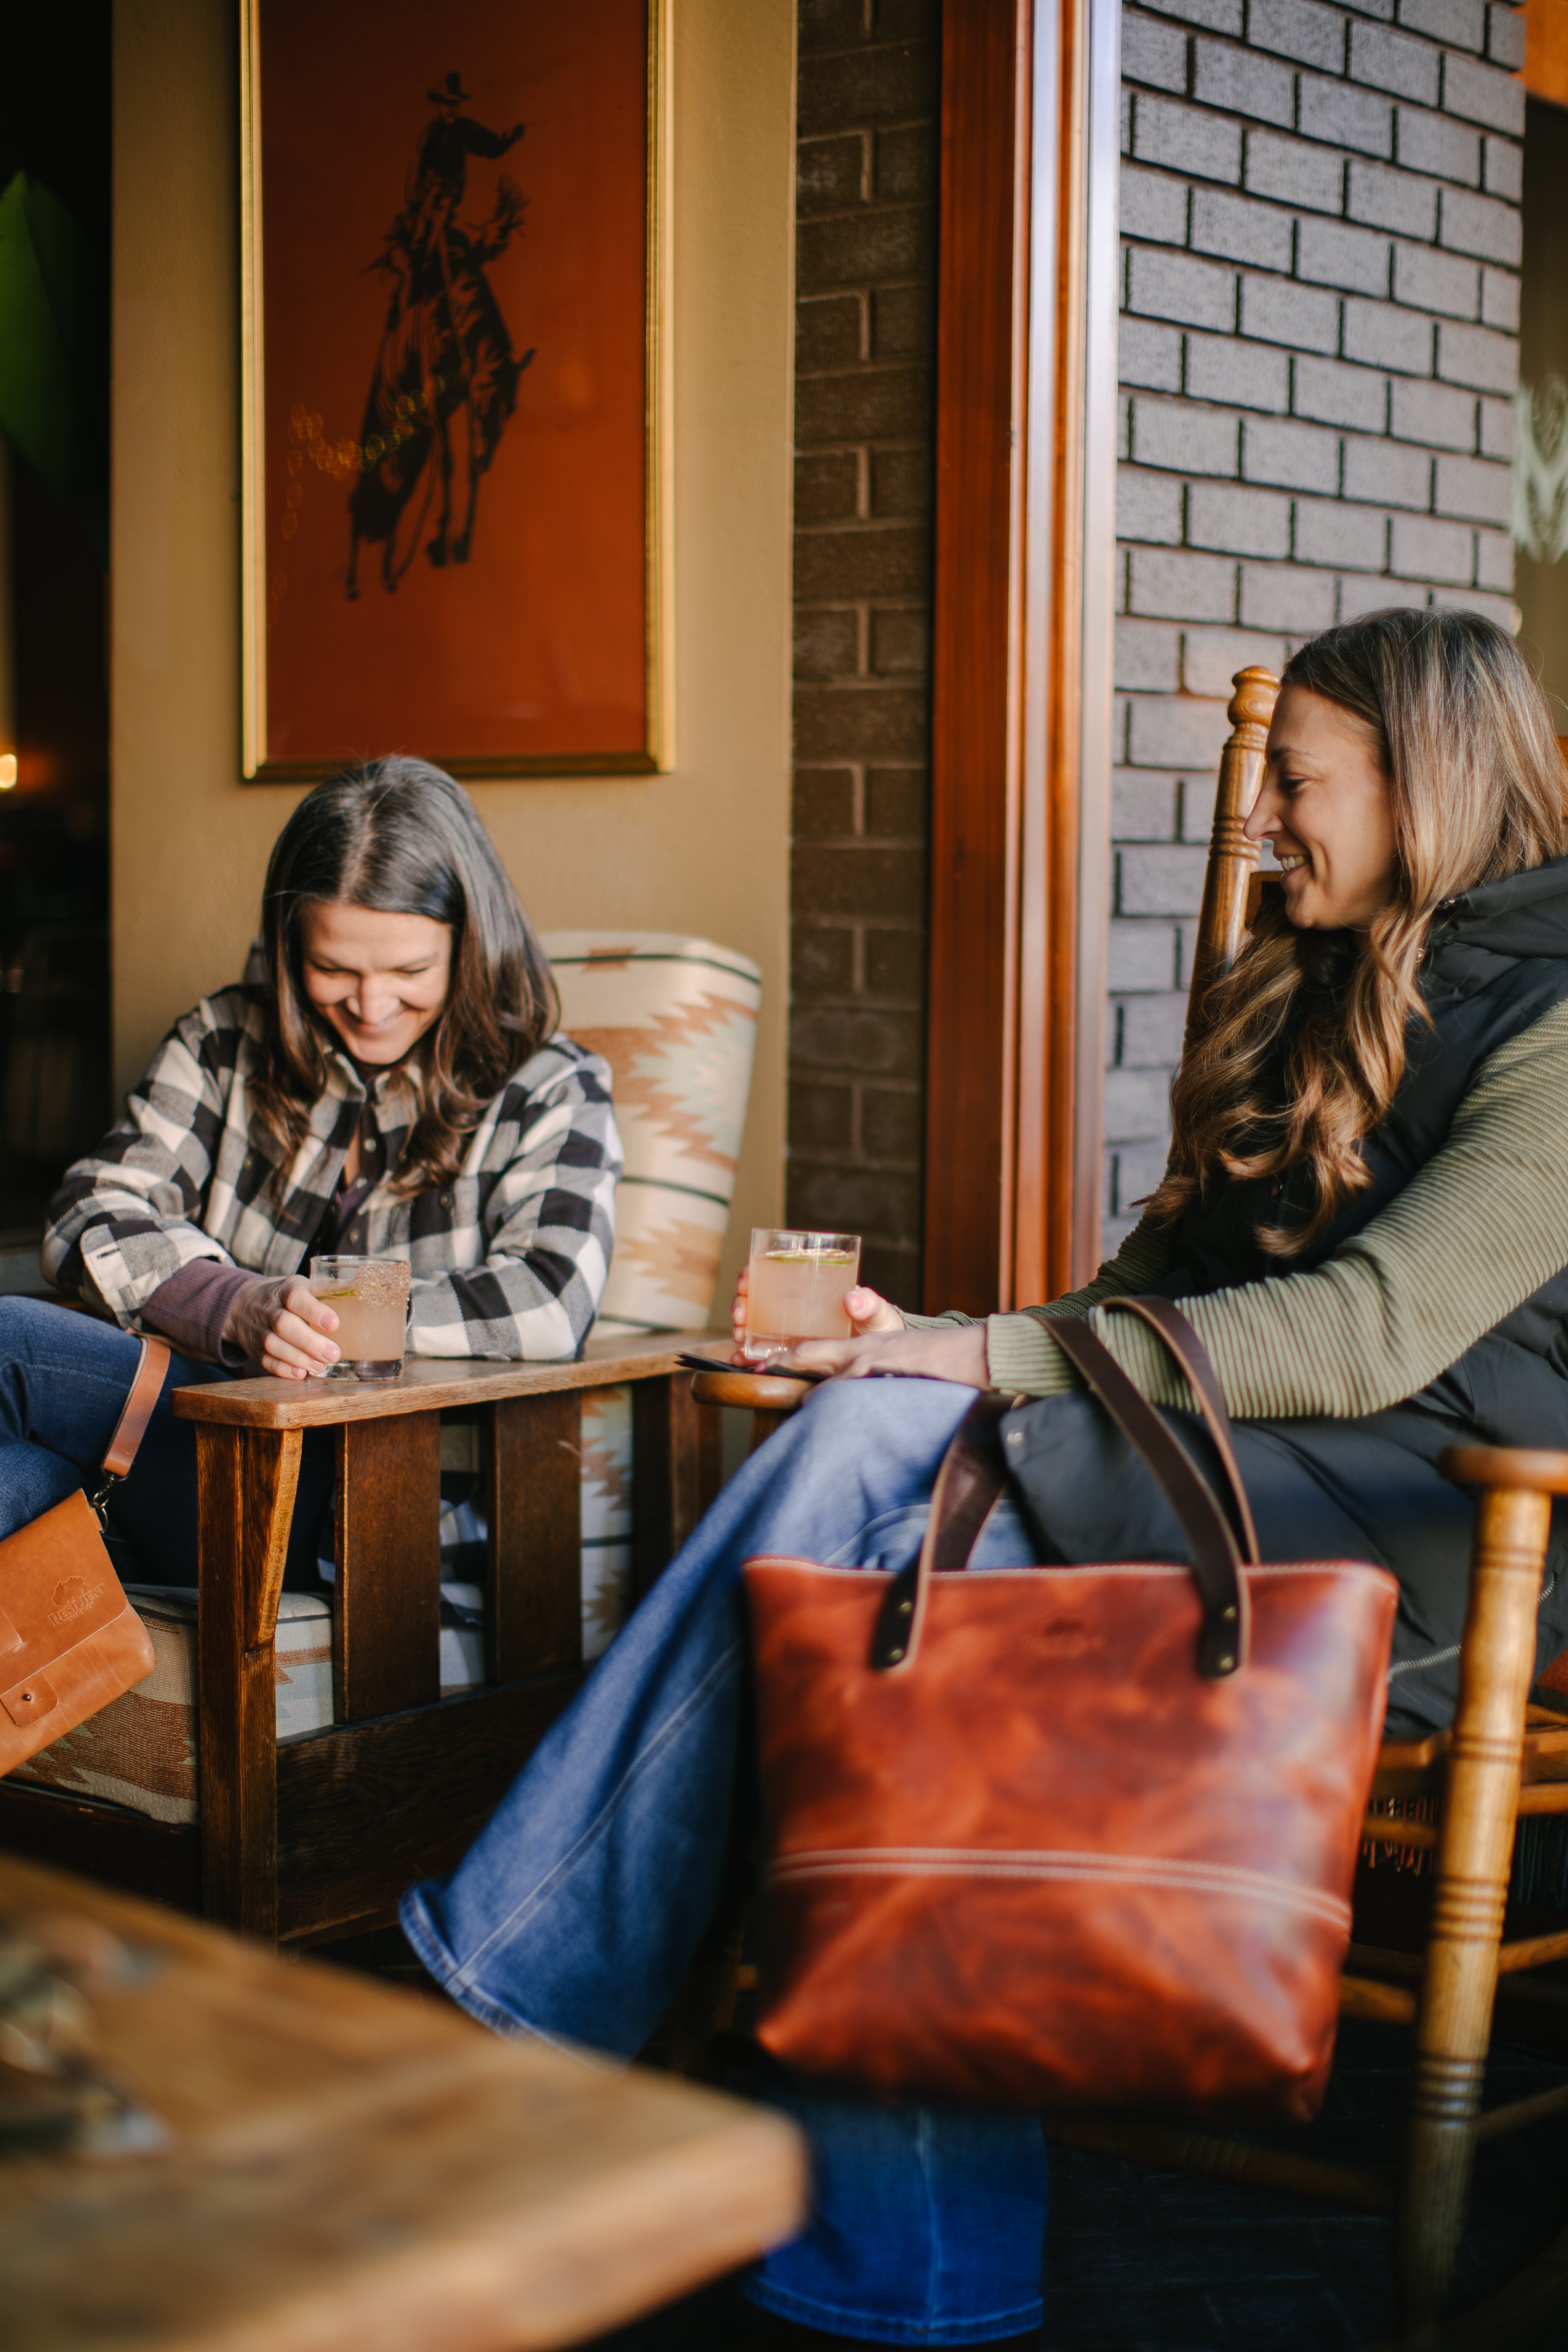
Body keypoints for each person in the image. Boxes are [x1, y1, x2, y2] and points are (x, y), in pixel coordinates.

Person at [406, 608, 1568, 2347]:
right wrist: (932, 1335)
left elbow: (1367, 1333)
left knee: (889, 1511)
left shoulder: (1556, 1009)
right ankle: (890, 2254)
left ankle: (522, 2022)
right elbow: (1139, 1300)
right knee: (878, 1498)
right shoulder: (1307, 985)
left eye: (1298, 786)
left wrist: (974, 1366)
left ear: (1427, 785)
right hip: (1223, 1472)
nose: (1262, 823)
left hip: (1425, 1534)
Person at [2, 756, 619, 1589]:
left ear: (470, 946)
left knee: (11, 1352)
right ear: (291, 947)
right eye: (335, 969)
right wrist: (238, 1304)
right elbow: (88, 1210)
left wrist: (318, 1312)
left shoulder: (552, 1086)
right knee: (24, 1484)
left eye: (410, 973)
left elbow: (550, 1299)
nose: (372, 1006)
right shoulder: (223, 1041)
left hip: (381, 1493)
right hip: (201, 1446)